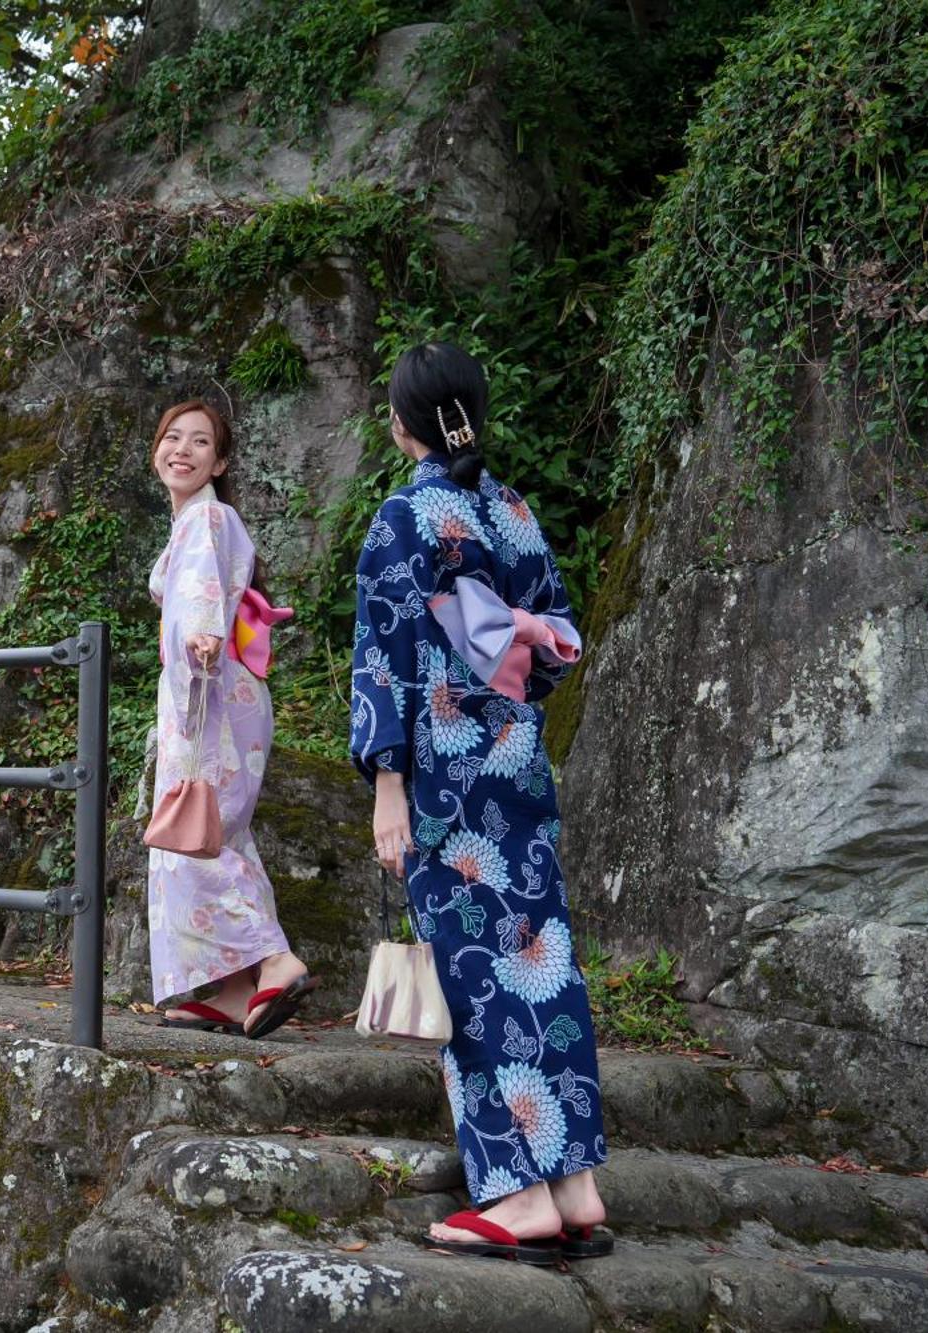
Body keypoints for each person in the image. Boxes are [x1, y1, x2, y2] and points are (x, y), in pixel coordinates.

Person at [348, 343, 611, 1262]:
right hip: (516, 765)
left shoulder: (403, 518)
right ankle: (577, 1188)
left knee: (477, 980)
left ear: (400, 423)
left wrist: (389, 784)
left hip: (443, 783)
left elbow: (385, 657)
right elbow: (549, 642)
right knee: (544, 963)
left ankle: (518, 1197)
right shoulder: (512, 508)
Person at [145, 399, 314, 1040]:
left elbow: (201, 596)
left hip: (211, 690)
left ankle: (272, 958)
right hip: (212, 692)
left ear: (220, 460)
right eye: (172, 438)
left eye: (200, 442)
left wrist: (204, 637)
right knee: (216, 830)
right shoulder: (193, 521)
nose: (182, 450)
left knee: (195, 834)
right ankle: (235, 987)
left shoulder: (208, 516)